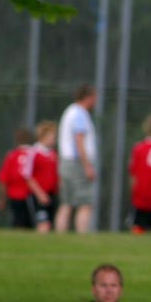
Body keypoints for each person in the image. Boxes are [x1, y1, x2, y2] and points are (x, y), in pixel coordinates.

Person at [54, 83, 99, 234]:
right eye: (94, 96)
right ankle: (82, 235)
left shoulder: (69, 111)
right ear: (88, 97)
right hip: (77, 163)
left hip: (65, 162)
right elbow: (79, 140)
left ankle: (60, 235)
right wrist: (87, 166)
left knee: (66, 202)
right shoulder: (80, 113)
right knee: (85, 202)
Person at [0, 127, 39, 229]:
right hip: (32, 196)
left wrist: (2, 199)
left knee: (18, 222)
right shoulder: (35, 154)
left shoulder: (12, 156)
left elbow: (3, 180)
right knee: (31, 224)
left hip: (15, 196)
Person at [31, 120, 59, 233]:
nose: (53, 139)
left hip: (52, 194)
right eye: (51, 136)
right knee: (43, 222)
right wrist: (39, 193)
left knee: (50, 222)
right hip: (39, 195)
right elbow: (28, 176)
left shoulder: (53, 154)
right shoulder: (34, 153)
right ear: (42, 136)